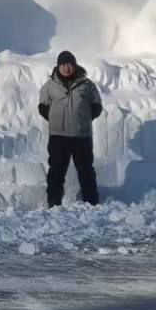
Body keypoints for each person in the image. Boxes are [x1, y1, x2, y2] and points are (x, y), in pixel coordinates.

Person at [38, 49, 102, 207]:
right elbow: (43, 107)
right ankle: (54, 204)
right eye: (63, 65)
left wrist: (83, 119)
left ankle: (92, 204)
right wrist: (56, 119)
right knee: (56, 172)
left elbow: (96, 105)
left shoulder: (87, 84)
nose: (67, 68)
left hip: (82, 136)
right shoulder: (49, 86)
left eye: (70, 64)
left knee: (86, 171)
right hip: (58, 137)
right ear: (58, 66)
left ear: (75, 65)